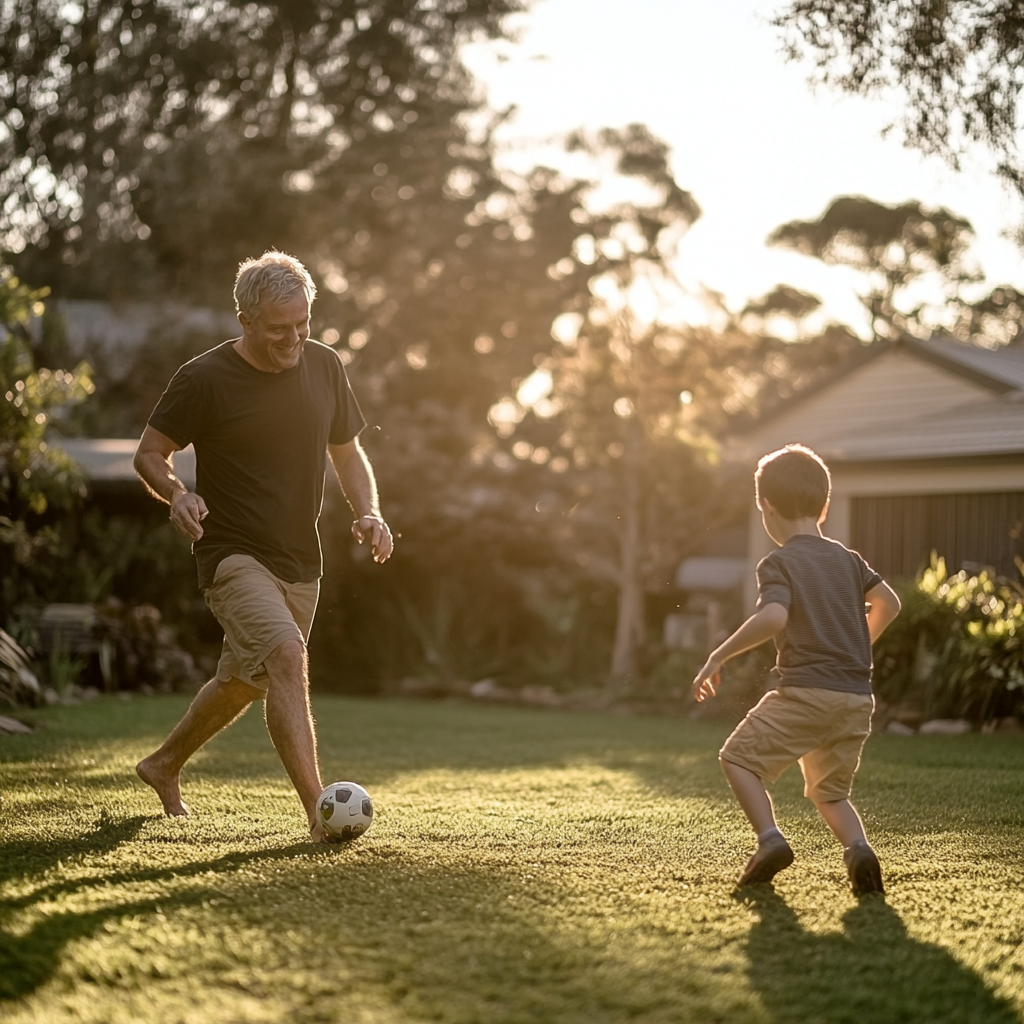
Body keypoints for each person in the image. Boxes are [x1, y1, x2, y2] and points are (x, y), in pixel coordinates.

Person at [133, 251, 393, 843]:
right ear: (246, 320)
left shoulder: (324, 366)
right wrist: (175, 493)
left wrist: (370, 512)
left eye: (303, 323)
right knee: (285, 656)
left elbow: (348, 454)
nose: (294, 337)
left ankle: (163, 764)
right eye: (280, 328)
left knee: (243, 682)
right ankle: (319, 813)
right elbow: (150, 453)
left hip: (301, 560)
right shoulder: (204, 378)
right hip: (229, 551)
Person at [692, 444, 900, 895]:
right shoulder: (848, 559)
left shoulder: (778, 562)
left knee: (737, 759)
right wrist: (858, 643)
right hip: (855, 699)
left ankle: (770, 840)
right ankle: (858, 850)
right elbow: (890, 603)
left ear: (765, 507)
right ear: (824, 507)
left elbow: (773, 619)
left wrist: (718, 655)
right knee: (830, 792)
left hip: (806, 692)